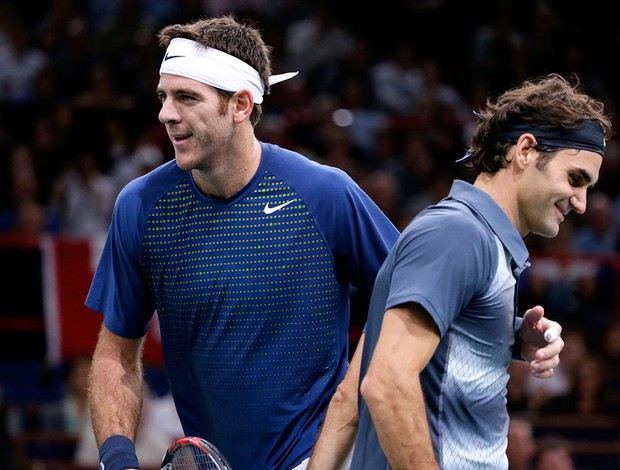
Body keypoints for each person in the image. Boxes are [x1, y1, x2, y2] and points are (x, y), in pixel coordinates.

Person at [84, 14, 399, 470]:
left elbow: (418, 293)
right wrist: (117, 460)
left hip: (319, 459)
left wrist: (513, 334)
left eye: (187, 97)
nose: (166, 113)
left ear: (241, 105)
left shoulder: (324, 194)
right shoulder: (141, 207)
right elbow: (115, 355)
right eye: (164, 96)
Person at [310, 73, 612, 469]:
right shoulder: (458, 235)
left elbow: (351, 395)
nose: (582, 203)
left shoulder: (471, 238)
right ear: (525, 151)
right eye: (575, 179)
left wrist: (510, 336)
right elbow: (386, 384)